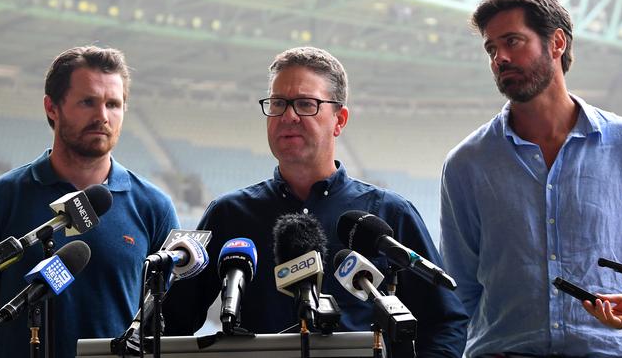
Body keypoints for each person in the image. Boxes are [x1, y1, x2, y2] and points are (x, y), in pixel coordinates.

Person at [163, 46, 468, 357]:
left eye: (306, 104)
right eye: (278, 103)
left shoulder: (388, 214)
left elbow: (444, 322)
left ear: (339, 120)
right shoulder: (228, 214)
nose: (288, 116)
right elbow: (172, 322)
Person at [439, 0, 622, 356]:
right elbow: (459, 289)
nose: (499, 58)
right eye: (491, 49)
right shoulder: (465, 164)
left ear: (557, 43)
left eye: (512, 41)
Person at [0, 46, 179, 358]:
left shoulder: (154, 207)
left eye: (113, 104)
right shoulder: (4, 197)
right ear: (52, 108)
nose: (102, 117)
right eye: (87, 102)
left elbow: (167, 321)